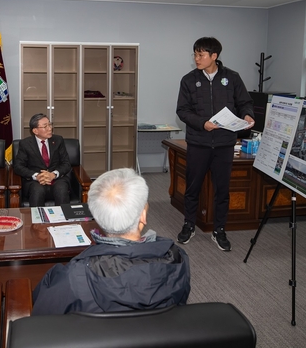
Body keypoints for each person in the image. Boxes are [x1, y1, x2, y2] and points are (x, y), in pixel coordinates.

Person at [31, 168, 191, 315]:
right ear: (143, 216)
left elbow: (42, 319)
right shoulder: (178, 259)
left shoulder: (75, 275)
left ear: (98, 217)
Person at [176, 37, 254, 252]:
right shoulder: (189, 80)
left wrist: (247, 116)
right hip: (199, 142)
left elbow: (245, 103)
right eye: (195, 54)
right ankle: (189, 225)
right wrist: (203, 123)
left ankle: (219, 230)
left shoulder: (233, 78)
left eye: (201, 55)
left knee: (222, 190)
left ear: (214, 56)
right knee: (192, 188)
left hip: (224, 144)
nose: (197, 58)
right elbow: (182, 111)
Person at [13, 113, 71, 206]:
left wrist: (53, 174)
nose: (50, 128)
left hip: (57, 179)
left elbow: (66, 163)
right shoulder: (25, 144)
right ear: (35, 130)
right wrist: (36, 176)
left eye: (50, 124)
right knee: (37, 190)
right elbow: (18, 166)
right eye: (45, 126)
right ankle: (37, 219)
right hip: (35, 182)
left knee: (61, 188)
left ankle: (63, 219)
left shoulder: (58, 140)